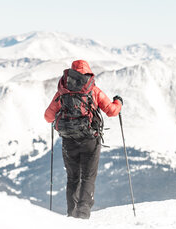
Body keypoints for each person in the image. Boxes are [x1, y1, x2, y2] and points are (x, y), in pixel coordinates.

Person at [44, 60, 123, 219]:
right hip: (90, 140)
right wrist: (118, 102)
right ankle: (83, 213)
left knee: (72, 178)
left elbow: (48, 117)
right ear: (87, 73)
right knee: (88, 176)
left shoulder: (62, 91)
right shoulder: (92, 90)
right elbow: (112, 111)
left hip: (68, 141)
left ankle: (71, 214)